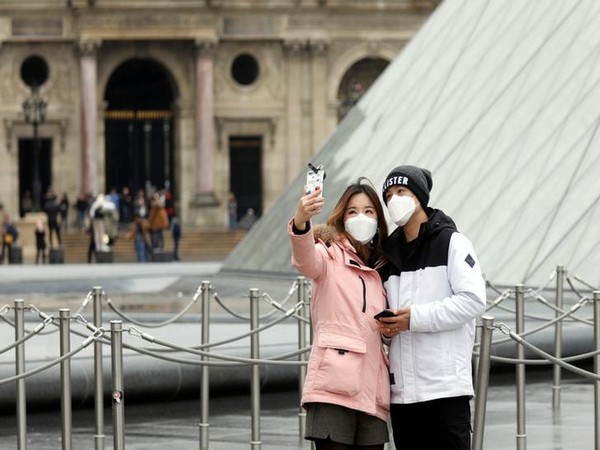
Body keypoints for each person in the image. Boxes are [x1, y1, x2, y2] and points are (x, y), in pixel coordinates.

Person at [376, 165, 487, 450]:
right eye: (388, 195)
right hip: (403, 394)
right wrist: (388, 329)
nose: (393, 200)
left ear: (419, 196)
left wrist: (415, 318)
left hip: (445, 389)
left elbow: (473, 299)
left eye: (401, 191)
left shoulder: (452, 243)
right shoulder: (388, 255)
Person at [288, 178, 390, 450]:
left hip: (373, 392)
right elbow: (305, 259)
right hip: (333, 387)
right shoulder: (329, 254)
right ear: (342, 218)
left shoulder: (382, 268)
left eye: (369, 211)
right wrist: (301, 222)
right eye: (353, 211)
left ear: (379, 220)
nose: (361, 217)